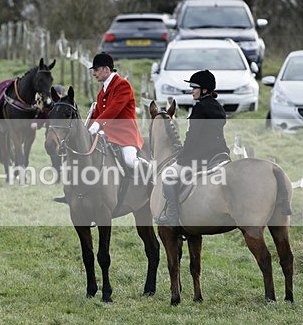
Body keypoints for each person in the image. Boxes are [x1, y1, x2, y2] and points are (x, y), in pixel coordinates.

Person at [154, 70, 229, 226]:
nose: (192, 91)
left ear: (205, 90)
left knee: (168, 175)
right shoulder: (218, 106)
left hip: (202, 155)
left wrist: (183, 154)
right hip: (221, 153)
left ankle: (172, 215)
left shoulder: (200, 108)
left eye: (195, 87)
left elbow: (193, 136)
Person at [87, 52, 148, 172]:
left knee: (130, 161)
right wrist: (86, 131)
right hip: (107, 134)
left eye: (96, 70)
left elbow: (114, 109)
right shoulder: (102, 93)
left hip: (125, 134)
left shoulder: (123, 85)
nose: (94, 74)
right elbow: (97, 115)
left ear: (106, 69)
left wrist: (97, 124)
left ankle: (149, 171)